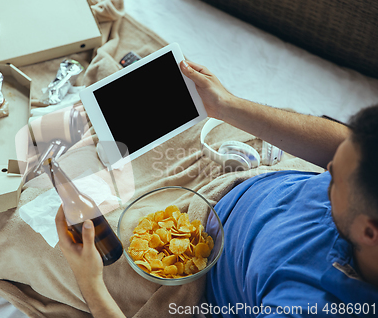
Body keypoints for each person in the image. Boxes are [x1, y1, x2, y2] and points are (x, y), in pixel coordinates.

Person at [55, 60, 378, 317]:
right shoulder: (364, 187)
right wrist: (225, 106)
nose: (330, 167)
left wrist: (91, 284)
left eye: (334, 178)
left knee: (45, 225)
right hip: (253, 170)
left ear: (369, 232)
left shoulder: (311, 306)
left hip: (193, 280)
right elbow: (341, 144)